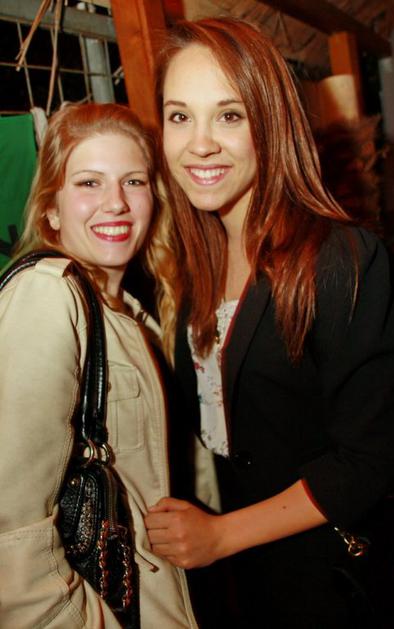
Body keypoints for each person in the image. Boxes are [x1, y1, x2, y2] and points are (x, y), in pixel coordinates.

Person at [144, 18, 394, 628]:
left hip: (331, 583)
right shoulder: (197, 261)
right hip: (247, 585)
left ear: (271, 122)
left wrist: (221, 536)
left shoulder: (339, 258)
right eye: (180, 116)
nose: (199, 144)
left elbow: (370, 459)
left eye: (229, 115)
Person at [0, 103, 197, 629]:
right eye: (89, 182)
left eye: (133, 181)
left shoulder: (129, 313)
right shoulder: (48, 296)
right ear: (51, 209)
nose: (116, 203)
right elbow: (11, 535)